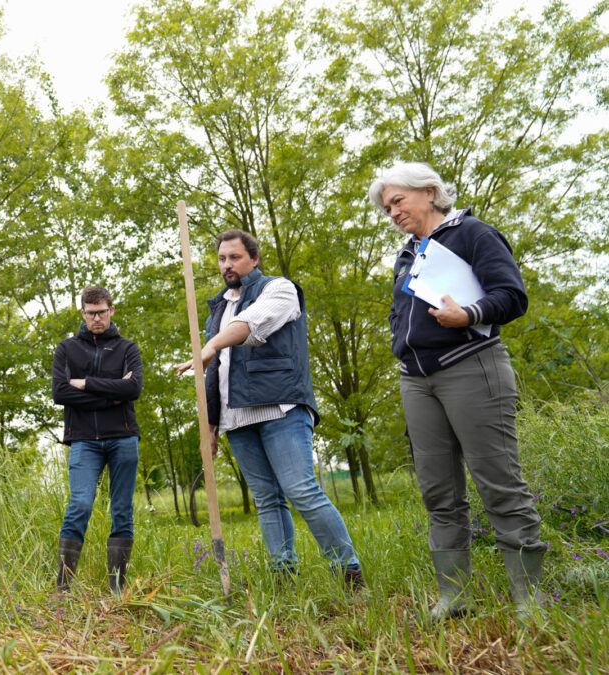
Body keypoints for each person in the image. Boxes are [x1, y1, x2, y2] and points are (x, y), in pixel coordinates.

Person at [368, 161, 546, 622]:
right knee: (438, 493)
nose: (392, 212)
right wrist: (398, 342)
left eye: (398, 201)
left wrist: (468, 314)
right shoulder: (408, 253)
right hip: (416, 379)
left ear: (429, 192)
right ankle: (454, 595)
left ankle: (530, 597)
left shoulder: (474, 234)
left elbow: (512, 295)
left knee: (499, 484)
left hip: (471, 367)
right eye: (387, 207)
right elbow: (399, 311)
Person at [174, 230, 364, 590]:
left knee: (302, 491)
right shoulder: (219, 307)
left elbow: (252, 326)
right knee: (266, 500)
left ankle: (349, 571)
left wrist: (211, 344)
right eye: (221, 259)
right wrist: (211, 427)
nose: (227, 265)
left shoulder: (279, 289)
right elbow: (215, 373)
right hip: (236, 418)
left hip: (280, 409)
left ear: (254, 259)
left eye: (235, 257)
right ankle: (283, 577)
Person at [52, 286, 143, 594]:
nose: (96, 318)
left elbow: (133, 390)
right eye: (90, 313)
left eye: (102, 312)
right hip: (84, 441)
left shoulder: (128, 348)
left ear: (111, 310)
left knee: (122, 509)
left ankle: (117, 586)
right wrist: (111, 395)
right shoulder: (66, 349)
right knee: (79, 504)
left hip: (123, 438)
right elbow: (60, 393)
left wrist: (86, 385)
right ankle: (63, 588)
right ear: (83, 314)